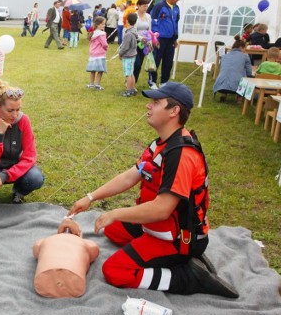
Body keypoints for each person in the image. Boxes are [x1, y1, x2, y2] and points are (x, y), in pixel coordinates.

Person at [66, 82, 239, 299]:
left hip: (179, 238)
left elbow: (161, 210)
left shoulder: (181, 154)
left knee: (114, 271)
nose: (149, 106)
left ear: (174, 111)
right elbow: (131, 175)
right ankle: (152, 249)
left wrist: (115, 213)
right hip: (159, 225)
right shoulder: (161, 144)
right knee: (112, 230)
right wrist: (90, 197)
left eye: (156, 102)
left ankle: (189, 277)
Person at [0, 80, 45, 204]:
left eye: (18, 109)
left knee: (36, 178)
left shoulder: (24, 120)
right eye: (10, 110)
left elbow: (30, 156)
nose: (15, 115)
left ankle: (18, 193)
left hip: (14, 164)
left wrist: (7, 175)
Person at [32, 218, 100, 298]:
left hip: (43, 278)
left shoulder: (45, 240)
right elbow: (94, 250)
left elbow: (36, 250)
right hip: (75, 279)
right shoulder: (85, 243)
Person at [149, 0, 181, 89]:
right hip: (160, 38)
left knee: (168, 61)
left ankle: (164, 82)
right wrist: (155, 37)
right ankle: (152, 81)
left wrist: (175, 38)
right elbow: (154, 21)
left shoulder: (176, 8)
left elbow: (175, 23)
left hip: (171, 39)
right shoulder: (159, 6)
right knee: (156, 60)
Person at [132, 0, 152, 85]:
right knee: (136, 63)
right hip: (134, 42)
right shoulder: (134, 16)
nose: (146, 8)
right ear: (138, 6)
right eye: (144, 6)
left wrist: (149, 42)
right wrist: (141, 38)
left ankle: (134, 82)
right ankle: (129, 80)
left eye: (147, 6)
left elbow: (149, 30)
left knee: (139, 65)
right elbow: (132, 30)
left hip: (144, 44)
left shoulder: (148, 16)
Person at [119, 13, 138, 97]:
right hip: (133, 55)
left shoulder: (128, 34)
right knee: (131, 73)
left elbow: (125, 46)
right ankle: (133, 88)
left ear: (127, 21)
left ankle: (129, 90)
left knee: (127, 74)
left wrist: (120, 53)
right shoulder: (134, 31)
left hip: (128, 56)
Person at [86, 16, 108, 90]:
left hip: (93, 55)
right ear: (97, 25)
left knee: (93, 70)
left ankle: (91, 84)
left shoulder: (93, 33)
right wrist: (106, 47)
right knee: (100, 70)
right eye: (102, 24)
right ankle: (97, 84)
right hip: (100, 55)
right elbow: (104, 44)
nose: (104, 25)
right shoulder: (102, 34)